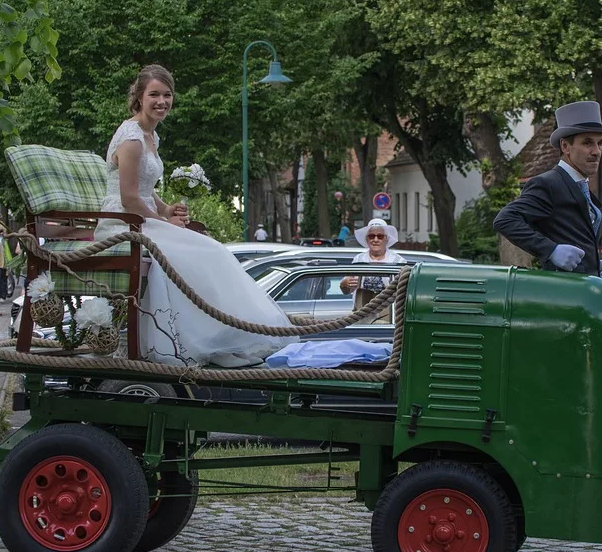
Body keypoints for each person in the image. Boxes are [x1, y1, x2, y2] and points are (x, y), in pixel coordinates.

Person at [92, 65, 296, 367]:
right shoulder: (132, 138)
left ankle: (229, 332)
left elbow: (146, 190)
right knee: (207, 252)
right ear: (139, 97)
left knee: (210, 249)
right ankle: (197, 338)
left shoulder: (151, 136)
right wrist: (163, 222)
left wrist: (165, 209)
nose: (162, 101)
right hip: (121, 223)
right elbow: (129, 197)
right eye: (154, 95)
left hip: (141, 218)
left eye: (167, 95)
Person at [493, 100, 602, 280]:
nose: (596, 151)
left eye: (600, 143)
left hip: (583, 290)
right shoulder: (548, 184)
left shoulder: (583, 189)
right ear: (565, 146)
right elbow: (505, 220)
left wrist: (593, 265)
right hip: (562, 293)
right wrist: (551, 250)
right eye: (587, 143)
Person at [339, 219, 407, 298]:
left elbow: (404, 291)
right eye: (371, 236)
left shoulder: (398, 261)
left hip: (389, 309)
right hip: (362, 309)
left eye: (380, 236)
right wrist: (344, 284)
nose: (375, 240)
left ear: (387, 239)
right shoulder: (358, 259)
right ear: (367, 239)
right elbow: (346, 290)